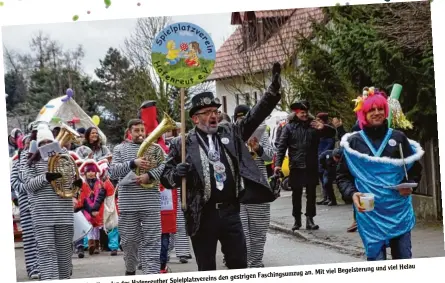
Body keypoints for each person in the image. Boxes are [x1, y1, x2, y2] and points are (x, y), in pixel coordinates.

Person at [161, 62, 282, 271]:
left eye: (215, 111)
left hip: (231, 213)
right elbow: (165, 176)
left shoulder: (231, 134)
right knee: (207, 268)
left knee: (239, 265)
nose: (214, 116)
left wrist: (272, 92)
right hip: (202, 215)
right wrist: (175, 173)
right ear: (195, 118)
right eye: (207, 112)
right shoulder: (182, 144)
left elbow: (254, 118)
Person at [336, 88, 423, 261]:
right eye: (371, 110)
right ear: (363, 114)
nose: (377, 113)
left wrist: (409, 184)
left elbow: (414, 169)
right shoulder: (354, 142)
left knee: (404, 260)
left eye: (380, 109)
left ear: (385, 111)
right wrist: (352, 194)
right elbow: (342, 176)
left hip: (398, 210)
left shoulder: (398, 138)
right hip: (370, 213)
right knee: (376, 261)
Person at [22, 123, 82, 280]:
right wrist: (46, 177)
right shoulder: (30, 161)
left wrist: (77, 185)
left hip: (63, 213)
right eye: (43, 143)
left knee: (64, 252)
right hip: (42, 215)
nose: (47, 146)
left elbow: (73, 182)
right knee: (46, 252)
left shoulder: (65, 158)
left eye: (49, 142)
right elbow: (28, 185)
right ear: (38, 145)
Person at [109, 118, 166, 275]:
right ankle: (130, 269)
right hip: (128, 204)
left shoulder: (155, 148)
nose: (141, 133)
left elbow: (165, 166)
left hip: (151, 202)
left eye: (142, 130)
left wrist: (150, 175)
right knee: (129, 242)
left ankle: (151, 274)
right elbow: (112, 172)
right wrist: (133, 163)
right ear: (129, 132)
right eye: (136, 130)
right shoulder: (120, 149)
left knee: (152, 242)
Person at [274, 100, 336, 231]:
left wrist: (323, 127)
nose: (305, 115)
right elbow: (281, 147)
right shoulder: (289, 128)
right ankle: (297, 219)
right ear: (296, 113)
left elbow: (332, 133)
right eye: (302, 113)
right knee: (296, 194)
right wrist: (278, 165)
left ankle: (310, 219)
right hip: (296, 165)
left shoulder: (314, 126)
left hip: (311, 164)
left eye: (306, 112)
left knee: (311, 194)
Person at [234, 104, 274, 268]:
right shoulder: (231, 135)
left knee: (258, 233)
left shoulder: (262, 133)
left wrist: (258, 148)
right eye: (239, 118)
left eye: (245, 117)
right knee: (242, 235)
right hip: (238, 190)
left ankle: (256, 263)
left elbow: (270, 156)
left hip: (259, 189)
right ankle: (245, 266)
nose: (243, 120)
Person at [10, 131, 39, 280]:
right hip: (25, 204)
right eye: (26, 144)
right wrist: (29, 187)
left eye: (31, 144)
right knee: (29, 238)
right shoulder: (16, 163)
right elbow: (14, 182)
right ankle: (32, 268)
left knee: (40, 237)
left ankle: (42, 266)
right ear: (22, 146)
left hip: (39, 204)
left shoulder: (37, 162)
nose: (29, 147)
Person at [76, 159, 107, 256]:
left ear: (96, 172)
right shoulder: (83, 184)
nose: (90, 173)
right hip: (87, 207)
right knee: (89, 225)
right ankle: (91, 244)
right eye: (88, 171)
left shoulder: (100, 183)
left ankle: (97, 245)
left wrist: (96, 206)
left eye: (92, 171)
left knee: (97, 226)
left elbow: (102, 194)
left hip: (98, 207)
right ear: (84, 173)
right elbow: (82, 196)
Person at [316, 113, 336, 205]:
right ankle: (326, 197)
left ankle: (331, 198)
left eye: (319, 119)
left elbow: (328, 148)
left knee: (326, 180)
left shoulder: (329, 131)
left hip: (327, 160)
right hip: (320, 159)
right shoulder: (319, 133)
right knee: (322, 179)